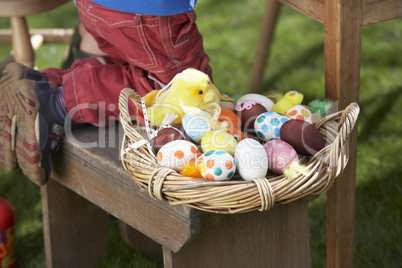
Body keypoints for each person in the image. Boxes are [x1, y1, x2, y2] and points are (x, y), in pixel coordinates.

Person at [0, 0, 212, 185]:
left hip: (94, 5)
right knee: (184, 93)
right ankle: (56, 104)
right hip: (149, 10)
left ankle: (44, 82)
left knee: (136, 60)